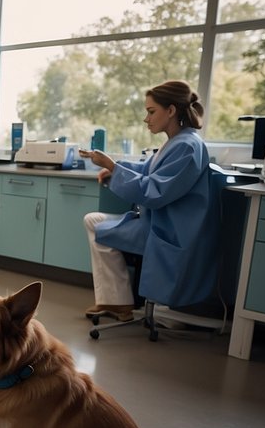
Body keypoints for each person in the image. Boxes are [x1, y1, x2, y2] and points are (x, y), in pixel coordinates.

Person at [77, 80, 212, 321]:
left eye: (151, 112)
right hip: (156, 222)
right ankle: (115, 300)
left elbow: (154, 191)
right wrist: (114, 169)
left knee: (95, 224)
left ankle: (117, 301)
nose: (146, 119)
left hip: (165, 231)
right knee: (95, 221)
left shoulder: (187, 146)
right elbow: (147, 169)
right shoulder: (176, 142)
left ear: (171, 111)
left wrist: (112, 166)